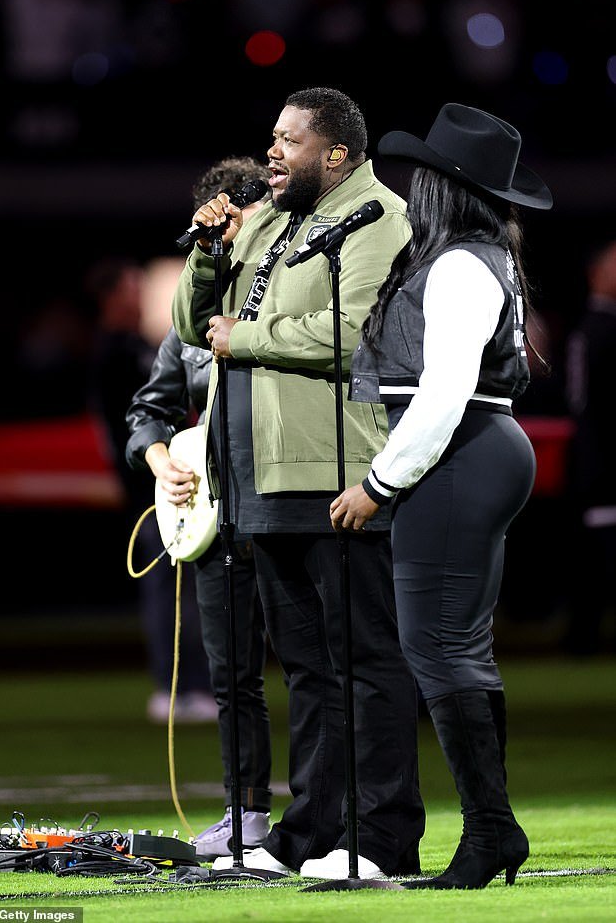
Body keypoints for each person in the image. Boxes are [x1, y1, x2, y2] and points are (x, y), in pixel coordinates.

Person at [171, 86, 426, 880]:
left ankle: (382, 834)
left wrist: (246, 338)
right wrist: (209, 251)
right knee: (310, 670)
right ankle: (312, 828)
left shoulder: (378, 218)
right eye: (272, 137)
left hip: (333, 468)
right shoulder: (277, 223)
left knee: (366, 662)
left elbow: (355, 335)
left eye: (289, 140)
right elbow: (190, 324)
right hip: (261, 475)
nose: (271, 152)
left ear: (337, 154)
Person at [329, 102, 553, 889]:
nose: (411, 185)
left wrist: (378, 482)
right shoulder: (476, 254)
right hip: (477, 451)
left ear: (444, 187)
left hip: (461, 453)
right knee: (456, 647)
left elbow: (445, 390)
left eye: (423, 174)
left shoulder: (459, 262)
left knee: (438, 647)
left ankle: (490, 830)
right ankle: (495, 829)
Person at [125, 156, 275, 860]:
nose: (229, 231)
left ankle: (324, 809)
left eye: (238, 216)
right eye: (217, 220)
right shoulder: (191, 316)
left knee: (313, 666)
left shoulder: (289, 291)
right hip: (219, 515)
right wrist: (165, 463)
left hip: (285, 503)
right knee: (232, 676)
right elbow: (150, 410)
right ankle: (246, 813)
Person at [87, 255, 218, 725]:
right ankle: (183, 687)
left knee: (177, 591)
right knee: (178, 590)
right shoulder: (118, 352)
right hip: (153, 488)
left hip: (157, 483)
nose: (140, 294)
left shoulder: (126, 348)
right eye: (132, 287)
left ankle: (179, 687)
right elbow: (137, 423)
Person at [563, 239, 616, 655]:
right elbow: (580, 404)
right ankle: (581, 637)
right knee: (595, 561)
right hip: (600, 469)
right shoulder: (593, 330)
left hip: (597, 466)